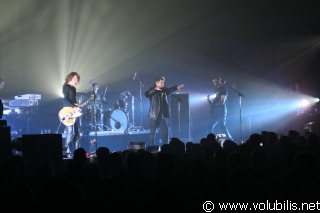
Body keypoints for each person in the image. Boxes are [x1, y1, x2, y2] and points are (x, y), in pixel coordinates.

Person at [145, 76, 184, 146]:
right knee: (152, 134)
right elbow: (146, 94)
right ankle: (151, 148)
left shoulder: (164, 90)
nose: (163, 84)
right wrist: (155, 89)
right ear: (157, 83)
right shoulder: (152, 90)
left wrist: (176, 87)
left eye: (163, 82)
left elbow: (169, 90)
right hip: (153, 116)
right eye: (161, 82)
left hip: (161, 116)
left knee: (165, 131)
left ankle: (165, 147)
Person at [207, 76, 233, 141]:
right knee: (210, 125)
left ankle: (230, 139)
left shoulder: (223, 89)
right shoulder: (218, 91)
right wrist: (208, 100)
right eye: (213, 82)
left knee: (221, 125)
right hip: (216, 111)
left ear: (219, 81)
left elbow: (222, 102)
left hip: (221, 110)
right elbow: (213, 106)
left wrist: (214, 105)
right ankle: (210, 140)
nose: (214, 83)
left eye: (215, 81)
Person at [62, 72, 81, 158]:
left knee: (77, 133)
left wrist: (77, 106)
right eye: (75, 79)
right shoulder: (66, 86)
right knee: (70, 133)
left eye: (77, 79)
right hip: (67, 112)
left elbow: (74, 100)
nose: (76, 80)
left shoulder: (73, 89)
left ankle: (77, 153)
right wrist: (73, 106)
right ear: (71, 78)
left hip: (74, 112)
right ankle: (65, 153)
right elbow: (65, 99)